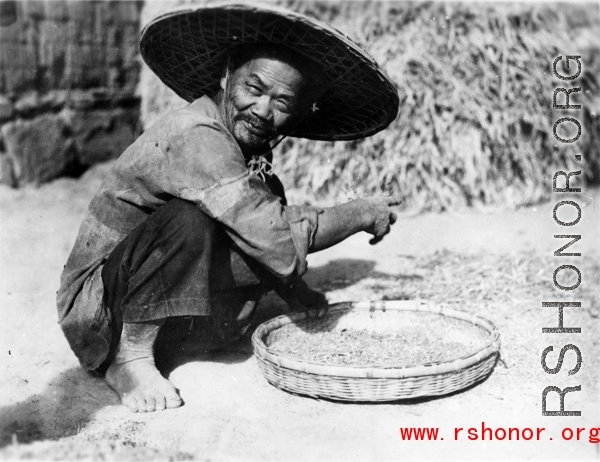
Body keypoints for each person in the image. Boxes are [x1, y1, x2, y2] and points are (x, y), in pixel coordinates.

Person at [57, 3, 401, 413]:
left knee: (262, 190)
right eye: (253, 90)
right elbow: (273, 237)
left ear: (298, 113)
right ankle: (129, 358)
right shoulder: (197, 134)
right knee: (192, 219)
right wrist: (361, 212)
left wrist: (294, 293)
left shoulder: (245, 148)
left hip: (159, 304)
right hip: (99, 313)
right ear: (227, 76)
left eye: (282, 102)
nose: (262, 110)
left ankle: (169, 339)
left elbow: (260, 222)